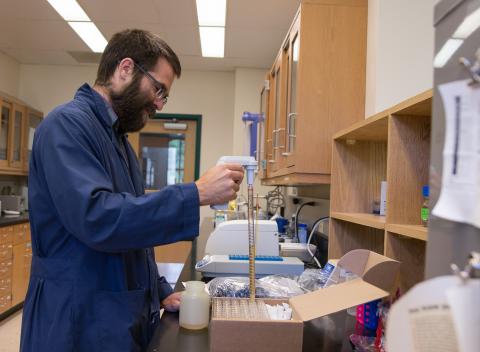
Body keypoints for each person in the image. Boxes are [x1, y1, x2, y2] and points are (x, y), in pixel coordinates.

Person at [20, 29, 244, 351]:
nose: (159, 103)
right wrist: (196, 193)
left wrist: (159, 288)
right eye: (158, 89)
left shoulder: (118, 140)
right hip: (74, 315)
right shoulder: (66, 126)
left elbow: (133, 232)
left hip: (110, 312)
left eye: (164, 96)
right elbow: (98, 218)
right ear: (125, 69)